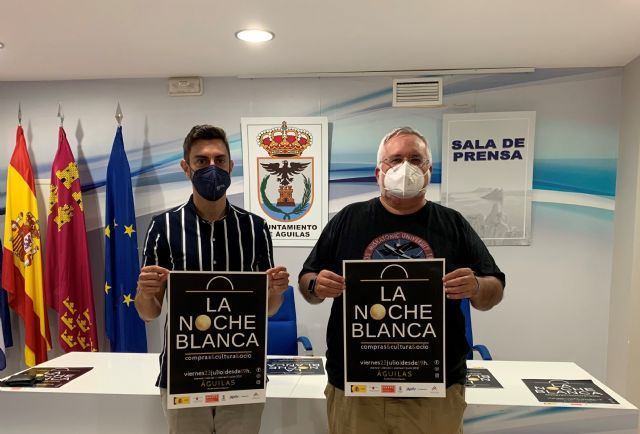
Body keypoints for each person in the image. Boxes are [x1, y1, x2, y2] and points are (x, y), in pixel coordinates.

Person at [299, 127, 505, 434]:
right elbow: (307, 281)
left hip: (434, 387)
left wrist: (476, 286)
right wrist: (317, 285)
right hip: (357, 385)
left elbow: (494, 289)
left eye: (415, 159)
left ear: (428, 171)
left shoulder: (453, 223)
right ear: (379, 173)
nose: (405, 167)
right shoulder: (348, 219)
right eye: (395, 160)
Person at [135, 124, 290, 434]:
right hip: (183, 375)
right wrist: (145, 291)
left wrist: (276, 291)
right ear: (186, 168)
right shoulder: (163, 227)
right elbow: (148, 312)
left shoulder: (255, 228)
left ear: (231, 166)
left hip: (242, 373)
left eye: (219, 160)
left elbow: (268, 309)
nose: (212, 167)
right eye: (201, 161)